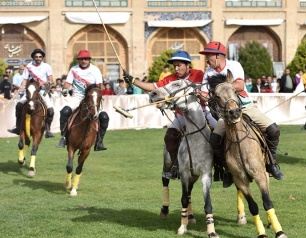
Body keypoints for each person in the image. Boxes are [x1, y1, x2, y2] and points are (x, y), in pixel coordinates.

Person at [198, 41, 283, 188]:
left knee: (273, 130)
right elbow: (206, 96)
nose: (206, 59)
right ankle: (227, 170)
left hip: (246, 107)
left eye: (208, 55)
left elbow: (240, 85)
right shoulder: (208, 72)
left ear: (218, 56)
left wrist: (221, 88)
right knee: (214, 139)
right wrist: (199, 94)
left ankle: (271, 163)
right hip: (225, 115)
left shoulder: (234, 65)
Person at [125, 50, 216, 179]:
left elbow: (209, 88)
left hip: (201, 112)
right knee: (169, 137)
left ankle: (221, 167)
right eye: (175, 66)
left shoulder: (199, 75)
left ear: (187, 65)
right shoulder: (171, 78)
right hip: (182, 115)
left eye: (179, 65)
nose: (176, 68)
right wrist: (133, 80)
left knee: (219, 131)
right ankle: (176, 165)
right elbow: (152, 87)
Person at [56, 50, 109, 151]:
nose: (83, 61)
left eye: (85, 59)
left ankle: (99, 142)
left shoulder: (95, 70)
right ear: (79, 60)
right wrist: (64, 89)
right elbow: (67, 83)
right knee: (64, 112)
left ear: (89, 60)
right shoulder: (73, 69)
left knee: (104, 117)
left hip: (91, 98)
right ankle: (63, 137)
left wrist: (96, 93)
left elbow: (99, 86)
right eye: (81, 59)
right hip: (77, 97)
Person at [7, 49, 55, 138]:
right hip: (31, 90)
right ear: (33, 57)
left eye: (40, 57)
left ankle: (48, 129)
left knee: (50, 110)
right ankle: (17, 127)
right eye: (36, 57)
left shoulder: (47, 66)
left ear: (42, 58)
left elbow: (51, 80)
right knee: (19, 106)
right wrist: (21, 87)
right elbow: (25, 79)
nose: (38, 58)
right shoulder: (28, 66)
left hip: (42, 90)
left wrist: (42, 83)